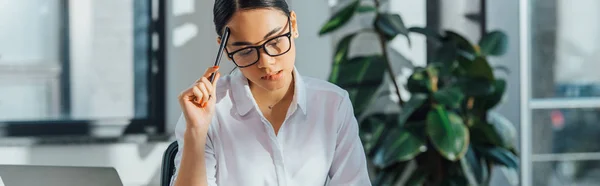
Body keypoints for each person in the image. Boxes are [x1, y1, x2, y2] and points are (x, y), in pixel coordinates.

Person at [170, 0, 371, 185]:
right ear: (225, 50)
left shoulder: (333, 104)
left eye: (275, 42)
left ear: (293, 25)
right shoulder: (207, 111)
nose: (266, 63)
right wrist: (196, 132)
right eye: (246, 51)